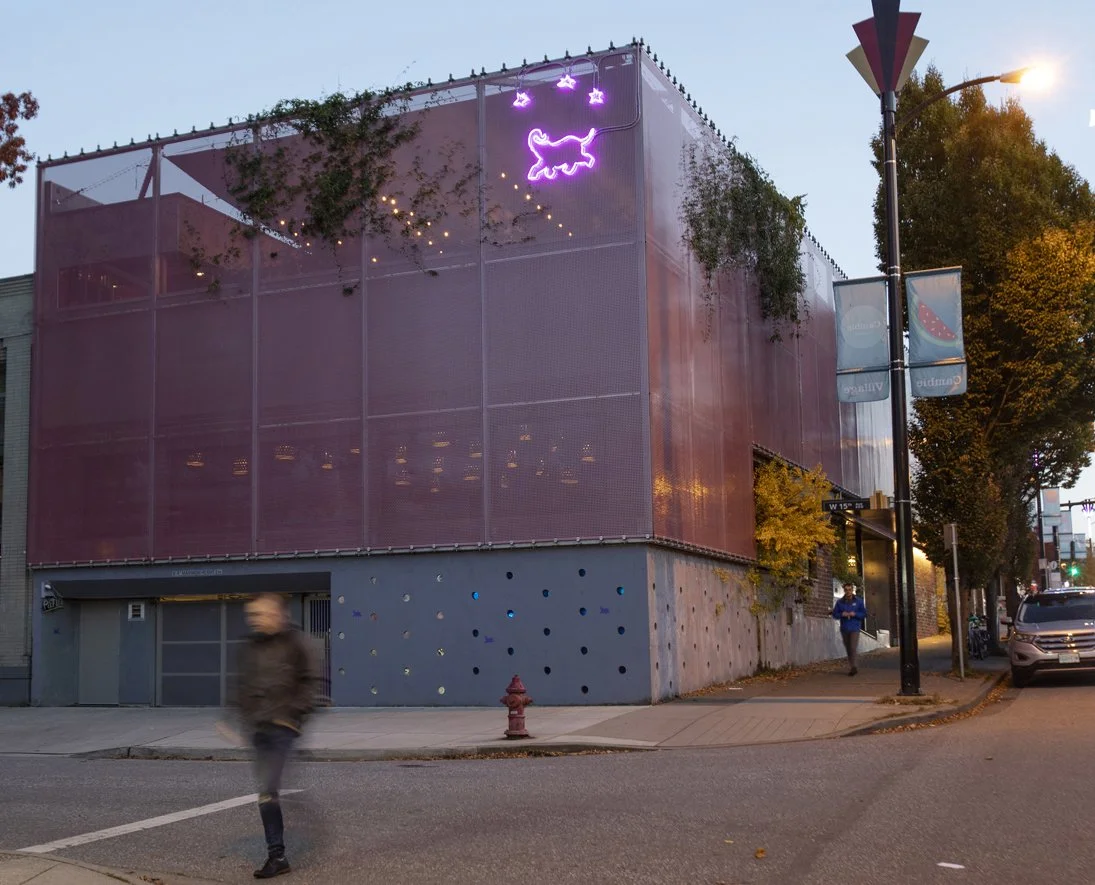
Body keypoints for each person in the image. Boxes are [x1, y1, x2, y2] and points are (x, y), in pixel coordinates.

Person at [234, 593, 318, 879]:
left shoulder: (296, 644)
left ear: (279, 614)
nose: (257, 619)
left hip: (283, 727)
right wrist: (242, 715)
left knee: (268, 788)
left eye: (262, 614)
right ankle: (278, 853)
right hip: (259, 729)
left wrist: (292, 716)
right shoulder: (251, 647)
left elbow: (312, 683)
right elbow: (243, 684)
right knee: (266, 793)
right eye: (253, 615)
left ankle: (277, 855)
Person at [832, 581, 867, 676]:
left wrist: (855, 614)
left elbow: (864, 614)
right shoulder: (840, 602)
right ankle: (852, 665)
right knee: (848, 648)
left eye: (849, 590)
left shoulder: (858, 601)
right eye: (846, 590)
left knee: (852, 647)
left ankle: (854, 666)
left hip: (855, 627)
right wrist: (841, 614)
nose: (848, 591)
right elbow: (835, 614)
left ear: (852, 590)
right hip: (844, 628)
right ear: (844, 590)